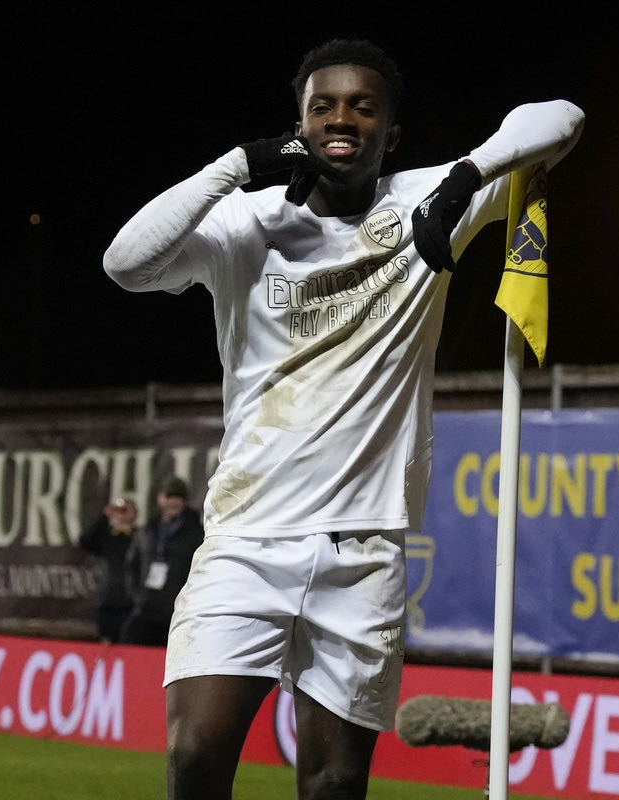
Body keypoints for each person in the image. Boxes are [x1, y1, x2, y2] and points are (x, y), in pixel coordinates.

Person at [103, 38, 583, 800]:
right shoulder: (246, 222)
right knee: (195, 754)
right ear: (297, 124)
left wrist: (467, 178)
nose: (341, 119)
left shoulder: (428, 200)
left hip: (363, 549)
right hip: (247, 537)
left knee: (334, 782)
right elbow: (126, 264)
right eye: (322, 105)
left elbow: (562, 118)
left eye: (364, 107)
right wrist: (239, 163)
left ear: (391, 131)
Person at [119, 476, 205, 646]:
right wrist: (138, 596)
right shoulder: (147, 529)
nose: (174, 501)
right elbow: (132, 565)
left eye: (179, 497)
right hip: (146, 606)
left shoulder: (196, 532)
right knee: (130, 639)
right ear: (160, 498)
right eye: (169, 496)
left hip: (178, 610)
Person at [78, 495, 139, 643]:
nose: (121, 514)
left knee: (129, 641)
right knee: (106, 641)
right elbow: (85, 540)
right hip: (108, 600)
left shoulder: (140, 537)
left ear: (134, 514)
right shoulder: (107, 537)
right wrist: (104, 516)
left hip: (131, 602)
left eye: (125, 510)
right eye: (119, 511)